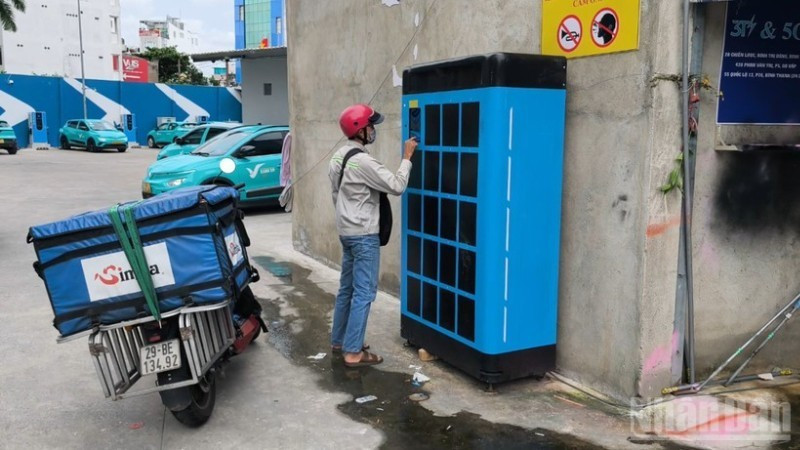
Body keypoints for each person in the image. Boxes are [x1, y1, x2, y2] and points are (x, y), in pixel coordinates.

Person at [328, 103, 418, 367]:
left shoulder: (337, 157)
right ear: (361, 130)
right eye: (371, 126)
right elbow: (396, 185)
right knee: (364, 293)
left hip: (346, 232)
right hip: (364, 234)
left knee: (347, 288)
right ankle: (353, 351)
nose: (373, 130)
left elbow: (336, 194)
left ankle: (340, 339)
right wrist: (407, 157)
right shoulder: (363, 161)